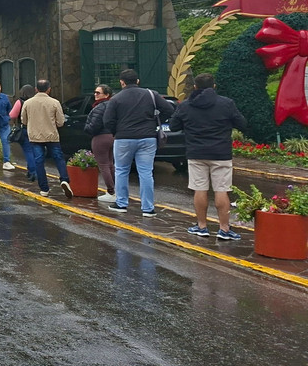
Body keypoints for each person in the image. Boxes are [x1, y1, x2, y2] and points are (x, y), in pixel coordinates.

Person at [168, 73, 248, 240]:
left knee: (199, 189)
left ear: (195, 87)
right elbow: (242, 124)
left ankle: (202, 226)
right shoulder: (226, 103)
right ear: (214, 86)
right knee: (222, 190)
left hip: (196, 153)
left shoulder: (185, 105)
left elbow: (174, 126)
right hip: (221, 153)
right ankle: (224, 228)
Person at [102, 68, 174, 216]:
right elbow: (169, 109)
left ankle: (121, 203)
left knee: (121, 170)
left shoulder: (116, 99)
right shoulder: (151, 94)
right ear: (138, 81)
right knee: (146, 172)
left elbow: (107, 120)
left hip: (124, 138)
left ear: (122, 82)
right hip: (147, 137)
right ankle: (148, 208)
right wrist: (154, 122)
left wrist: (117, 131)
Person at [20, 79, 72, 198]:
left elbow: (24, 121)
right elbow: (60, 122)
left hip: (35, 136)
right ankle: (64, 179)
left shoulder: (28, 103)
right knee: (59, 158)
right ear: (49, 89)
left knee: (39, 161)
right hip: (52, 136)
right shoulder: (55, 102)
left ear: (36, 89)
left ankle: (44, 189)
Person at [84, 84, 117, 202]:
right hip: (112, 136)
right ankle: (116, 189)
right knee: (110, 164)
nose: (95, 95)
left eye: (98, 93)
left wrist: (87, 128)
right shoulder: (114, 106)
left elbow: (94, 125)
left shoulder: (99, 107)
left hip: (100, 137)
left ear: (107, 95)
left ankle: (111, 191)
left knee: (103, 165)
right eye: (95, 92)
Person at [10, 84, 38, 181]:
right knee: (36, 151)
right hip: (37, 129)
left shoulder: (20, 102)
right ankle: (34, 170)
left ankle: (33, 172)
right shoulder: (36, 101)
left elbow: (12, 115)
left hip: (25, 129)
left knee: (28, 151)